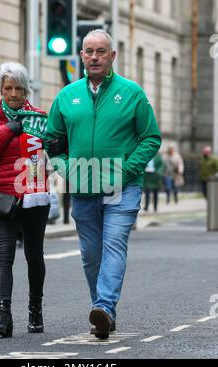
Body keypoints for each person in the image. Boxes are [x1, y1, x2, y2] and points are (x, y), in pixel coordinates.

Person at [45, 30, 161, 339]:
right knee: (91, 255)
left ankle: (104, 307)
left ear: (113, 56)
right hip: (83, 189)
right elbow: (52, 141)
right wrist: (66, 168)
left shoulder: (132, 93)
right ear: (81, 56)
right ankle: (104, 311)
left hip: (123, 188)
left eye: (101, 51)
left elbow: (150, 138)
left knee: (113, 247)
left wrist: (126, 169)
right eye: (89, 51)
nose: (94, 57)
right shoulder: (66, 96)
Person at [0, 62, 50, 338]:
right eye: (8, 88)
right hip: (3, 198)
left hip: (34, 198)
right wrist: (7, 130)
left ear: (26, 89)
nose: (14, 94)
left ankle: (35, 310)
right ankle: (3, 316)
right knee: (3, 257)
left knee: (34, 256)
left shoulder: (40, 118)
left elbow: (51, 151)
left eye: (19, 88)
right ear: (1, 89)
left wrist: (54, 143)